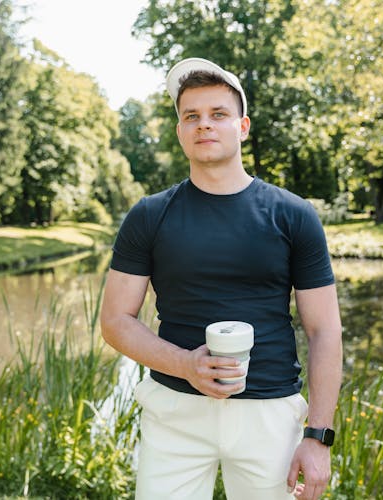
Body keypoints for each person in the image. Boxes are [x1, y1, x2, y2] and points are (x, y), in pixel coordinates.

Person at [100, 57, 343, 500]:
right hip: (175, 412)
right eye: (191, 116)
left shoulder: (294, 215)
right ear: (179, 132)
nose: (203, 125)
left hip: (269, 414)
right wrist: (186, 366)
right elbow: (115, 321)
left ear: (243, 127)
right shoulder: (149, 215)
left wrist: (318, 435)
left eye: (218, 114)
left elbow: (324, 330)